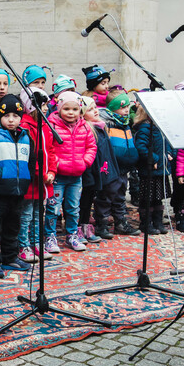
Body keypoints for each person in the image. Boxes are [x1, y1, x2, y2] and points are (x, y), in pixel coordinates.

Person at [0, 94, 33, 277]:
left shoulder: (26, 137)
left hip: (18, 191)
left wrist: (28, 178)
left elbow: (31, 161)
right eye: (6, 116)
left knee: (13, 226)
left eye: (16, 116)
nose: (11, 120)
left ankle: (9, 256)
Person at [46, 91, 96, 251]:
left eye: (74, 109)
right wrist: (57, 164)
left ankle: (72, 235)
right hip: (58, 176)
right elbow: (49, 147)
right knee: (53, 207)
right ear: (59, 108)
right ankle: (50, 236)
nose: (70, 112)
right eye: (66, 108)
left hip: (76, 176)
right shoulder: (52, 125)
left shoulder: (84, 127)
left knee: (73, 208)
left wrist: (85, 162)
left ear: (80, 111)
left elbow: (91, 147)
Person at [18, 72, 56, 263]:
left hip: (44, 180)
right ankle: (23, 245)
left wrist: (52, 171)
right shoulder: (25, 127)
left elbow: (51, 150)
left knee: (37, 214)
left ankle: (36, 243)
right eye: (44, 105)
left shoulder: (46, 126)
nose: (47, 108)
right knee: (26, 215)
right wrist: (41, 174)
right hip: (31, 181)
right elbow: (29, 157)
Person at [95, 93, 140, 236]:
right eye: (123, 107)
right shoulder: (107, 123)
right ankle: (101, 225)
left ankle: (121, 222)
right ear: (113, 108)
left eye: (127, 106)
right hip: (110, 167)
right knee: (106, 195)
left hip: (123, 167)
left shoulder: (125, 123)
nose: (127, 110)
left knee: (120, 195)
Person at [132, 100, 173, 235]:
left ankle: (158, 222)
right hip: (150, 170)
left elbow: (165, 142)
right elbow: (141, 147)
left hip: (161, 170)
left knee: (158, 197)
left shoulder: (159, 128)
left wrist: (168, 153)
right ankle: (146, 223)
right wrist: (154, 158)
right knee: (147, 198)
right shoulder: (144, 128)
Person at [78, 96, 115, 241]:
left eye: (95, 107)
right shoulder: (85, 128)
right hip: (87, 171)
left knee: (89, 201)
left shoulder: (101, 127)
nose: (95, 111)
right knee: (81, 202)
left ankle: (86, 227)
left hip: (97, 171)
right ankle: (77, 228)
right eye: (90, 109)